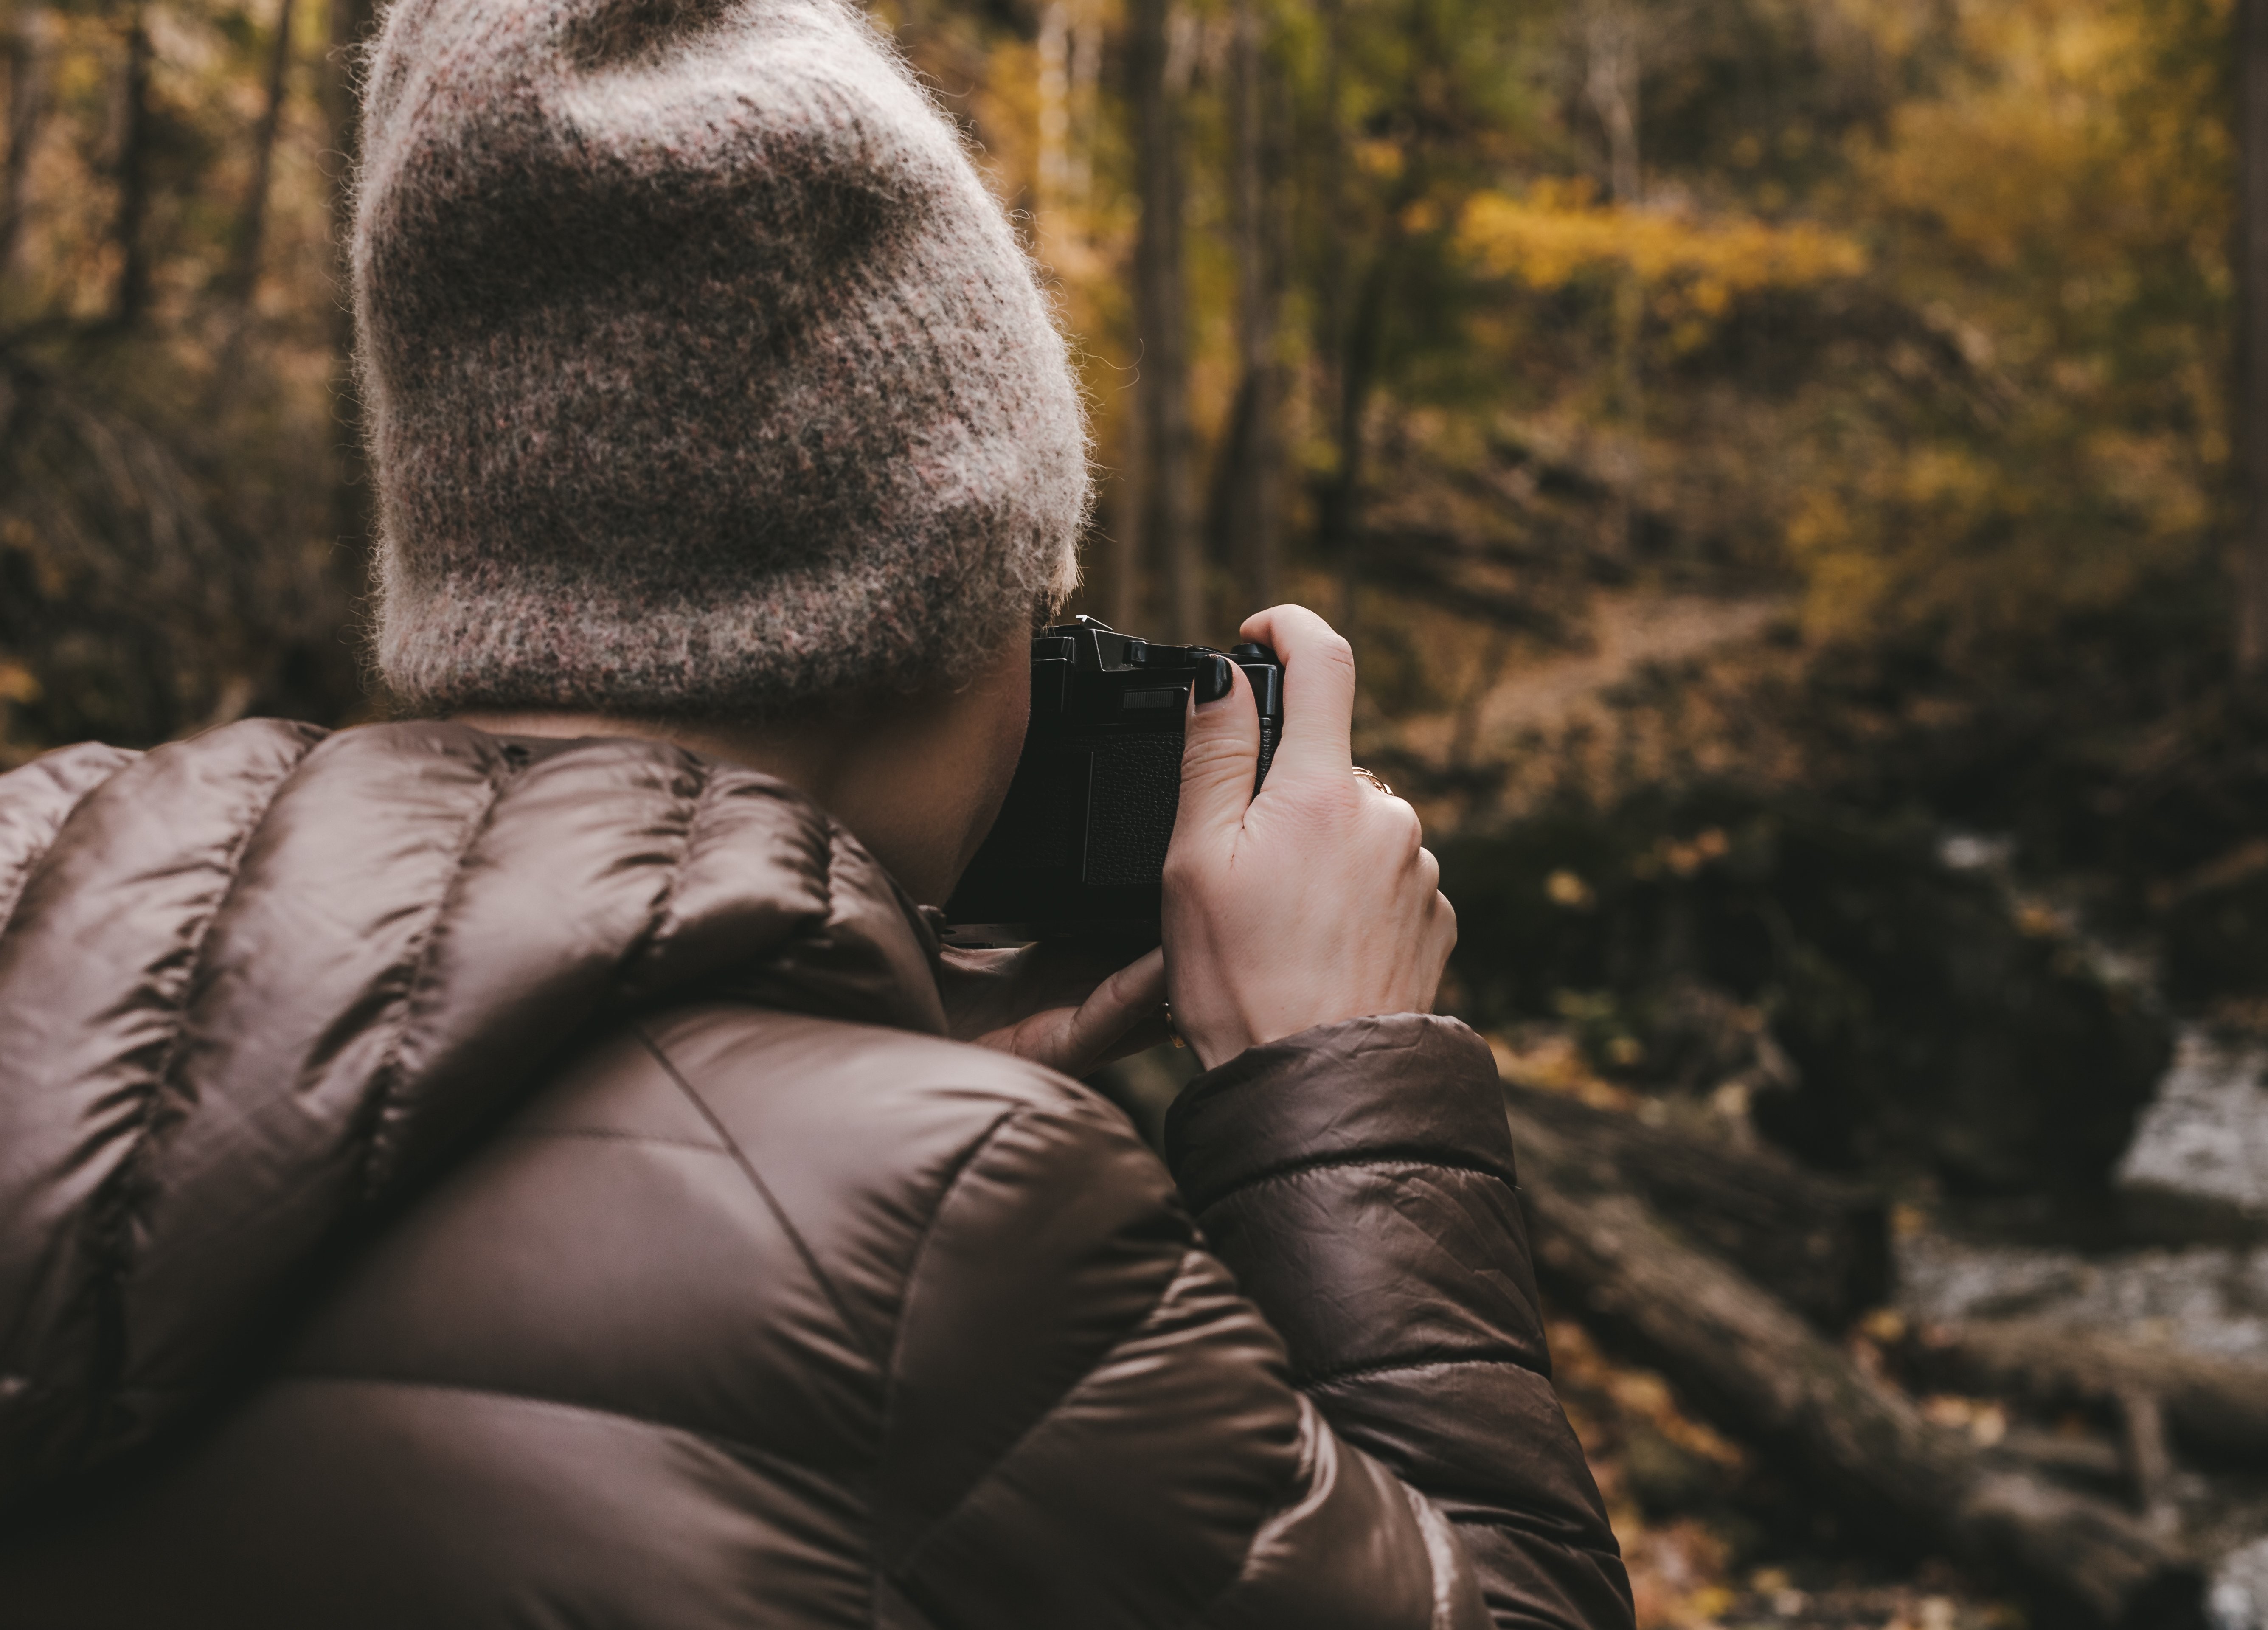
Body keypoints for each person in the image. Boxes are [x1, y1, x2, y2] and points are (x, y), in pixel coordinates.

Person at [0, 1, 1636, 1625]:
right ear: (923, 614)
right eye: (1034, 608)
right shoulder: (956, 1240)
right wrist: (1339, 1074)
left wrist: (813, 1076)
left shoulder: (42, 913)